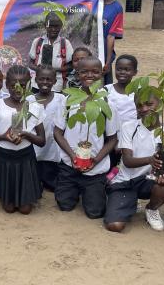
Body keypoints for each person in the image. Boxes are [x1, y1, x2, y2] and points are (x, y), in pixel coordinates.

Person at [53, 56, 118, 219]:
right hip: (70, 164)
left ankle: (97, 188)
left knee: (95, 212)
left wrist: (95, 161)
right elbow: (57, 133)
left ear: (102, 73)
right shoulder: (68, 100)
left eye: (95, 72)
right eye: (84, 72)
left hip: (95, 167)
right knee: (64, 205)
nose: (90, 75)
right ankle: (73, 189)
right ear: (77, 74)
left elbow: (112, 139)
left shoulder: (107, 103)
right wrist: (73, 156)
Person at [104, 93, 164, 233]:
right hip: (125, 181)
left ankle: (151, 209)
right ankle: (130, 201)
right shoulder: (129, 127)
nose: (144, 109)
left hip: (148, 180)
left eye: (149, 104)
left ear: (160, 106)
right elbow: (127, 161)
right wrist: (150, 160)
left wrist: (163, 174)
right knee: (115, 225)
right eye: (139, 106)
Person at [0, 65, 46, 214]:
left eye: (23, 86)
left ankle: (26, 194)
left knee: (25, 210)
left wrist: (26, 134)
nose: (18, 89)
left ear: (29, 85)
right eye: (13, 86)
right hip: (5, 159)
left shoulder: (34, 107)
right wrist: (3, 137)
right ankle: (8, 196)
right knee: (9, 209)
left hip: (25, 158)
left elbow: (42, 141)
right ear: (6, 85)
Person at [28, 65, 64, 192]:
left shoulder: (62, 99)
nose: (45, 82)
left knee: (53, 178)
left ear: (55, 81)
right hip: (35, 146)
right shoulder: (29, 100)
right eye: (41, 79)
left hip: (54, 146)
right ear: (35, 80)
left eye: (49, 79)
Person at [28, 12, 73, 92]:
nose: (53, 29)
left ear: (61, 26)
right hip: (37, 85)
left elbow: (70, 66)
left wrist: (54, 70)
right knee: (36, 103)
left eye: (56, 26)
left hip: (57, 85)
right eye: (50, 26)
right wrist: (38, 69)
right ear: (45, 26)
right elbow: (30, 63)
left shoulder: (65, 43)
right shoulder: (38, 41)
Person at [100, 0, 124, 85]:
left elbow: (111, 36)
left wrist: (108, 62)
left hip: (104, 52)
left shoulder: (117, 8)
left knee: (103, 84)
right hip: (88, 50)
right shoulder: (93, 2)